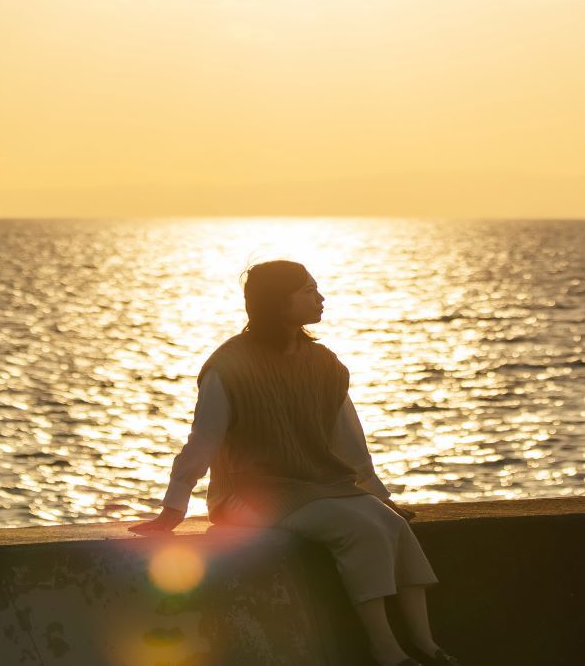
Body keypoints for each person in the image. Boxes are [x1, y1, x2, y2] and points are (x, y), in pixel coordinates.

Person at [130, 260, 462, 666]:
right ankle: (385, 649)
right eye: (308, 291)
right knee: (360, 529)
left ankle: (426, 644)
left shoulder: (324, 363)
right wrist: (173, 508)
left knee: (393, 526)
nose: (320, 298)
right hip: (247, 495)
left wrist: (380, 496)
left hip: (319, 486)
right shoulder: (228, 367)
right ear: (277, 302)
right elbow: (202, 441)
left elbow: (350, 441)